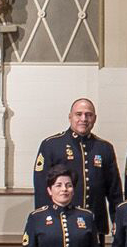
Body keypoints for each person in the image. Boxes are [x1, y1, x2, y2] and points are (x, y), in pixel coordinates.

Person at [34, 98, 120, 229]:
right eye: (79, 114)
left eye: (89, 115)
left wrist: (118, 220)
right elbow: (41, 188)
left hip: (95, 222)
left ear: (95, 118)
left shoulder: (104, 148)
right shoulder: (51, 145)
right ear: (70, 117)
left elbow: (114, 190)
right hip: (61, 223)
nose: (84, 119)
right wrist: (44, 221)